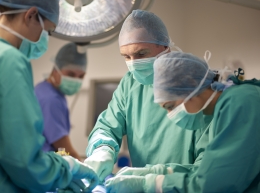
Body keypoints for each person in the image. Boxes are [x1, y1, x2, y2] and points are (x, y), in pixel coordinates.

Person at [0, 0, 98, 192]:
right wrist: (68, 166)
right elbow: (24, 160)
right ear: (31, 15)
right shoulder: (8, 60)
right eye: (48, 32)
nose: (44, 40)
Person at [84, 9, 211, 183]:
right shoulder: (130, 84)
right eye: (126, 57)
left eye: (141, 54)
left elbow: (208, 170)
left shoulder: (193, 83)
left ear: (165, 46)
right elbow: (107, 125)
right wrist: (102, 149)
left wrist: (154, 182)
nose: (134, 63)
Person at [105, 51, 260, 192]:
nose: (170, 115)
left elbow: (213, 185)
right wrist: (157, 172)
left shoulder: (242, 103)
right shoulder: (221, 109)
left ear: (191, 89)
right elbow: (206, 171)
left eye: (170, 106)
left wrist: (150, 184)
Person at [35, 42, 87, 161]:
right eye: (70, 74)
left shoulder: (43, 89)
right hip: (44, 167)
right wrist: (81, 166)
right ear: (55, 70)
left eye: (81, 76)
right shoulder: (51, 99)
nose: (76, 80)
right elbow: (62, 149)